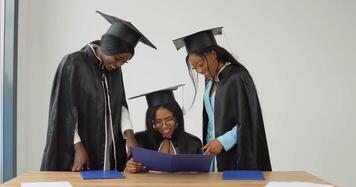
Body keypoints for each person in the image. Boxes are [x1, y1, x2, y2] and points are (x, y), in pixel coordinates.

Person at [41, 11, 156, 172]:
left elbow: (120, 104)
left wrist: (129, 135)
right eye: (117, 59)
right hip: (82, 147)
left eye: (124, 62)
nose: (119, 65)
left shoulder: (114, 70)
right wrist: (77, 147)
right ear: (108, 47)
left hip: (109, 147)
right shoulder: (73, 63)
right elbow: (65, 111)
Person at [172, 27, 272, 171]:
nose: (199, 71)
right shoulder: (210, 81)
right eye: (195, 68)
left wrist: (222, 141)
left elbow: (249, 120)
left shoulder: (237, 77)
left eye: (201, 64)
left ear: (213, 54)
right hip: (213, 156)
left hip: (235, 154)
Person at [125, 85, 202, 173]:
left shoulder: (193, 143)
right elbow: (127, 171)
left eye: (169, 120)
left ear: (177, 118)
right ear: (152, 122)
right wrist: (129, 168)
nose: (164, 126)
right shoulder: (140, 141)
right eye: (158, 122)